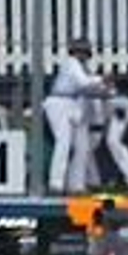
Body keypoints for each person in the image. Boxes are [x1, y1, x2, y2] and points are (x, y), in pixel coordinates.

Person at [43, 38, 111, 194]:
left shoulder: (83, 67)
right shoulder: (71, 63)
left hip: (73, 104)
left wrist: (104, 91)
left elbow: (88, 89)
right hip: (58, 102)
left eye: (85, 52)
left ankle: (76, 185)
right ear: (74, 52)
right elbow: (83, 83)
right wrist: (102, 79)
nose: (82, 55)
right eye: (80, 51)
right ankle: (56, 184)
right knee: (64, 142)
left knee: (83, 146)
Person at [83, 85, 128, 191]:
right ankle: (94, 181)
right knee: (90, 148)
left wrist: (107, 96)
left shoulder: (114, 98)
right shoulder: (91, 100)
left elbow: (124, 104)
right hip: (103, 117)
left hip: (119, 108)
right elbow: (98, 121)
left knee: (113, 142)